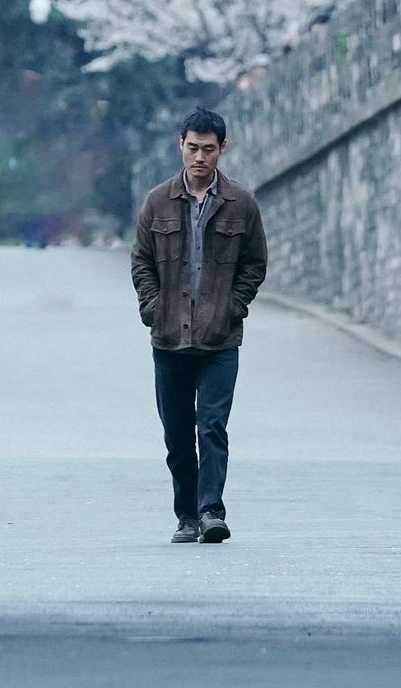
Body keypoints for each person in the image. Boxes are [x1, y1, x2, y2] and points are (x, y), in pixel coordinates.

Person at [130, 107, 267, 546]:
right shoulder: (157, 202)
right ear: (181, 145)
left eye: (209, 149)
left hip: (220, 338)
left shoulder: (241, 204)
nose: (200, 157)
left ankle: (211, 511)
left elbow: (255, 264)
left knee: (212, 426)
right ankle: (186, 515)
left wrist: (233, 306)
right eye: (193, 148)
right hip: (169, 337)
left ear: (222, 148)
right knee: (176, 434)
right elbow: (141, 261)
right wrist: (153, 307)